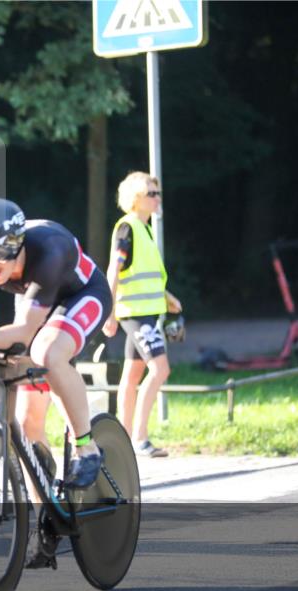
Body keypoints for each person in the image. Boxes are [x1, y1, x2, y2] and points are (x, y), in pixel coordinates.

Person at [0, 198, 112, 568]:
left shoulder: (48, 249)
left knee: (47, 352)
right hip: (35, 305)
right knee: (28, 423)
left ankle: (87, 446)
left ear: (17, 245)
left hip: (80, 296)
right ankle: (44, 520)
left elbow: (27, 333)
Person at [102, 172, 182, 458]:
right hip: (135, 314)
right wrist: (109, 312)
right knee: (160, 370)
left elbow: (143, 275)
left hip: (145, 312)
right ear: (136, 198)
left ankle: (122, 439)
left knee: (132, 374)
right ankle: (139, 437)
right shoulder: (127, 228)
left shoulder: (143, 229)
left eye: (157, 193)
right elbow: (114, 270)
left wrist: (165, 296)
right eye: (152, 193)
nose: (158, 198)